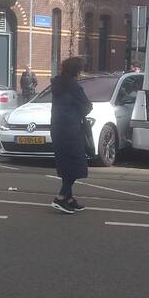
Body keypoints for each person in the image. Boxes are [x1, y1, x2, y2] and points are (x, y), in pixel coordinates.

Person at [50, 57, 92, 214]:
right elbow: (87, 106)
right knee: (77, 164)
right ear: (76, 70)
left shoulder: (57, 84)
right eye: (80, 70)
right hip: (70, 130)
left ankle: (69, 199)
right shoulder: (74, 87)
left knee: (66, 164)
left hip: (57, 129)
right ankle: (60, 198)